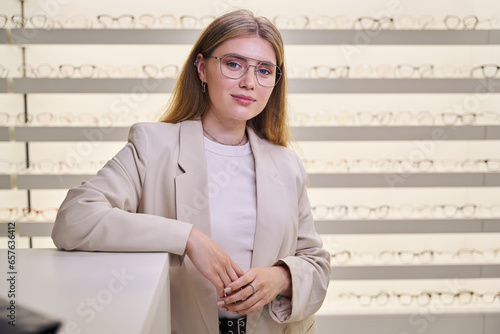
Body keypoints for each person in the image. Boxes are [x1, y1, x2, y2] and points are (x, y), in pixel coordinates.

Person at [51, 9, 330, 334]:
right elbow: (74, 219)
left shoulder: (286, 165)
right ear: (202, 68)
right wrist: (188, 238)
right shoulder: (154, 146)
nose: (249, 82)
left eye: (264, 70)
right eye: (234, 63)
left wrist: (280, 277)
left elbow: (316, 263)